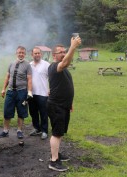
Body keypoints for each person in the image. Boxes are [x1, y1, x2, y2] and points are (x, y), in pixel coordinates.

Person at [47, 36, 81, 172]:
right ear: (54, 55)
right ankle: (53, 161)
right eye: (60, 52)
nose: (63, 53)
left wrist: (70, 102)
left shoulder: (62, 67)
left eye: (64, 51)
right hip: (56, 106)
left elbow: (64, 85)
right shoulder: (55, 66)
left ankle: (57, 154)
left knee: (60, 133)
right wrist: (73, 47)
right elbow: (65, 63)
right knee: (56, 133)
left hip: (63, 105)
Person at [0, 46, 32, 139]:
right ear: (16, 53)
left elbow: (29, 79)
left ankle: (19, 130)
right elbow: (7, 77)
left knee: (21, 112)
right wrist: (3, 89)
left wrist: (29, 92)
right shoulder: (11, 64)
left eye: (23, 53)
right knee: (7, 111)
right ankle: (5, 131)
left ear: (25, 54)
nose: (21, 54)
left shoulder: (27, 65)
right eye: (19, 52)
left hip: (22, 92)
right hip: (11, 91)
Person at [28, 47, 50, 140]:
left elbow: (52, 77)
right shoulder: (29, 65)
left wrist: (51, 89)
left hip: (43, 93)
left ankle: (44, 130)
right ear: (32, 54)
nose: (37, 55)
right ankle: (37, 128)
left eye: (39, 53)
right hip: (31, 93)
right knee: (33, 112)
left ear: (41, 54)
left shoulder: (46, 65)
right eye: (35, 53)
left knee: (43, 112)